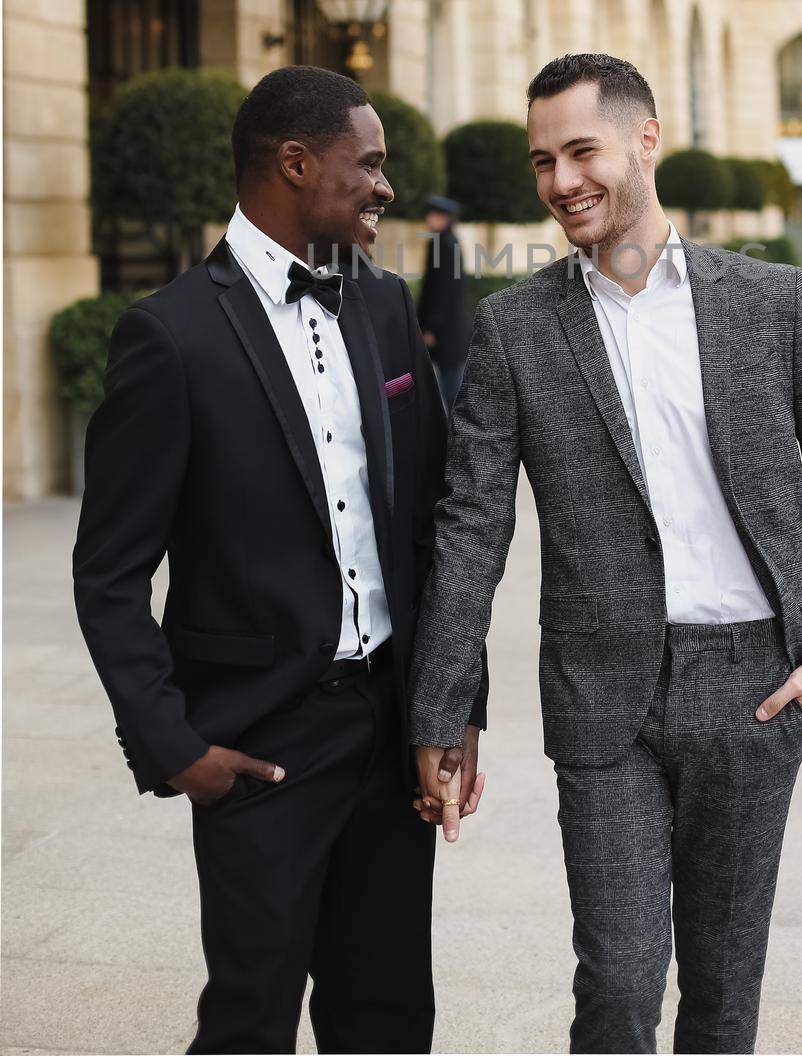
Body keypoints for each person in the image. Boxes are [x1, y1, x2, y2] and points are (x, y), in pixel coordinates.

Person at [409, 53, 802, 1056]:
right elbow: (470, 527)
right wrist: (443, 706)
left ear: (644, 139)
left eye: (579, 149)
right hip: (600, 698)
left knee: (721, 990)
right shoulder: (514, 327)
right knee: (620, 987)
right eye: (542, 160)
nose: (559, 181)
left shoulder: (771, 302)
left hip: (753, 684)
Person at [72, 65, 486, 1056]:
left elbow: (438, 525)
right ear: (295, 163)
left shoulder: (386, 306)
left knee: (387, 1015)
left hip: (390, 732)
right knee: (250, 1018)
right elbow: (110, 572)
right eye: (370, 164)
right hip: (260, 742)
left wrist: (454, 707)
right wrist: (171, 743)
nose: (385, 186)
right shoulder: (168, 335)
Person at [417, 193, 469, 410]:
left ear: (446, 218)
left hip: (445, 330)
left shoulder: (444, 246)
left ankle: (458, 432)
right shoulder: (445, 242)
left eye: (435, 214)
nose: (430, 218)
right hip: (447, 329)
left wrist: (430, 327)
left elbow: (441, 290)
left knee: (451, 386)